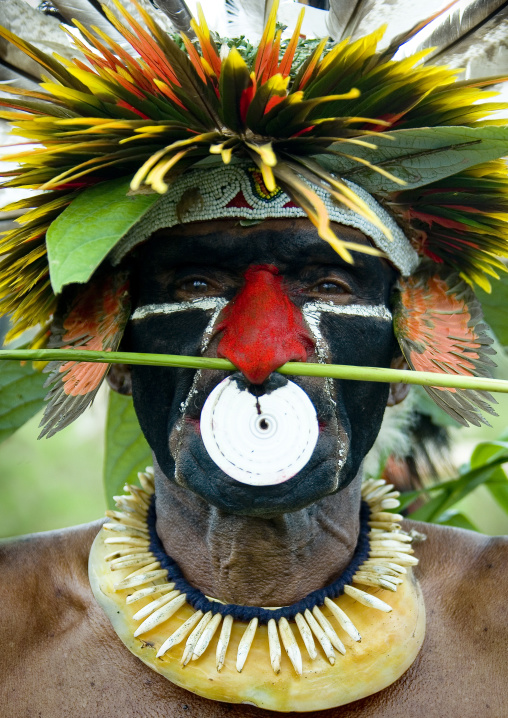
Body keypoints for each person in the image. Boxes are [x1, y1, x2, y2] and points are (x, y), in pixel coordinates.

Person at [0, 0, 507, 715]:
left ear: (414, 338)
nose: (259, 352)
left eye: (329, 283)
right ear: (104, 339)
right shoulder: (13, 626)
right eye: (197, 281)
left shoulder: (497, 618)